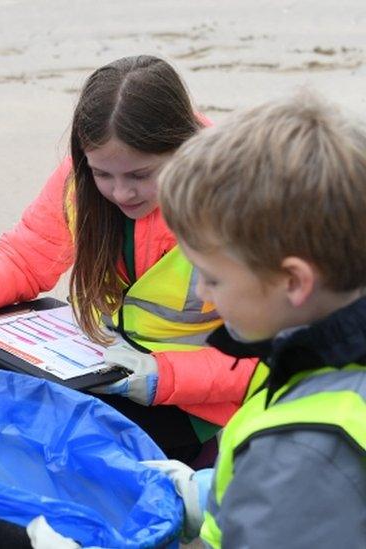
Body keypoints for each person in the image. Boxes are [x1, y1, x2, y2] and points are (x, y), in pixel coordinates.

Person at [0, 55, 263, 464]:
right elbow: (28, 252)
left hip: (207, 405)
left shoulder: (238, 202)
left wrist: (162, 378)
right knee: (1, 422)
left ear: (184, 147)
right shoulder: (85, 172)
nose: (120, 192)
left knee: (63, 453)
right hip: (108, 370)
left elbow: (274, 356)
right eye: (102, 174)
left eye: (141, 175)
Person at [146, 92, 366, 547]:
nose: (204, 294)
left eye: (212, 278)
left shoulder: (302, 453)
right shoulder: (326, 360)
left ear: (293, 281)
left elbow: (301, 492)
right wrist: (210, 492)